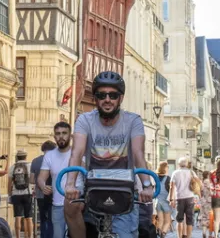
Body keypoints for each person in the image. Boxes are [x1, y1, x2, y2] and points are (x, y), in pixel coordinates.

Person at [64, 71, 153, 238]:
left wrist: (147, 185)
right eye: (102, 95)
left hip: (123, 187)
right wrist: (70, 184)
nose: (107, 99)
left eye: (113, 95)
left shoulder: (133, 121)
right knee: (70, 205)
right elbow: (77, 152)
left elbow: (138, 153)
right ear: (95, 98)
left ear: (120, 98)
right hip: (93, 184)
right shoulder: (84, 120)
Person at [38, 122, 75, 238]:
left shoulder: (77, 153)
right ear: (54, 137)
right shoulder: (49, 155)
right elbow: (40, 177)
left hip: (76, 204)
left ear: (70, 136)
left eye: (64, 133)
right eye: (58, 134)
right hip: (57, 204)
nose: (61, 136)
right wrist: (43, 186)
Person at [32, 140, 57, 238]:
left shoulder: (35, 160)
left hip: (40, 194)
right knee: (52, 219)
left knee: (42, 218)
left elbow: (31, 179)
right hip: (52, 193)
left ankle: (43, 236)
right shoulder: (54, 160)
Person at [168, 157, 195, 238]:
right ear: (186, 164)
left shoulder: (175, 173)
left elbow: (171, 186)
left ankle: (179, 236)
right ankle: (188, 236)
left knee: (179, 219)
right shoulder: (191, 172)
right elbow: (198, 182)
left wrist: (171, 199)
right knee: (189, 220)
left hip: (179, 198)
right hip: (190, 197)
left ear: (178, 164)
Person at [10, 149, 34, 238]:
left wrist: (10, 194)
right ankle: (29, 236)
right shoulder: (29, 166)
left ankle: (17, 236)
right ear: (25, 156)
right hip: (27, 193)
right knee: (29, 217)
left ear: (17, 157)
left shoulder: (13, 167)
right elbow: (32, 180)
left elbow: (10, 183)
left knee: (17, 217)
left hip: (16, 194)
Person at [154, 162, 172, 237]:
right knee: (168, 221)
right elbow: (170, 190)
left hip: (157, 202)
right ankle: (163, 233)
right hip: (166, 202)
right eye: (167, 167)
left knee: (160, 220)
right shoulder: (168, 178)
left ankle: (158, 231)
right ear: (165, 168)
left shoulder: (155, 177)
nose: (168, 168)